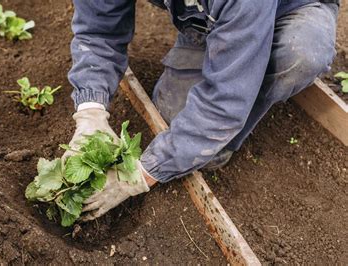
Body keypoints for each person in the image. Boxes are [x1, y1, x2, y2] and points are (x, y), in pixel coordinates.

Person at [65, 0, 340, 221]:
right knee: (172, 118)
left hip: (291, 9)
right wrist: (91, 111)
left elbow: (223, 105)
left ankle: (253, 66)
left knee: (299, 54)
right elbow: (98, 32)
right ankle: (223, 43)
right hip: (209, 16)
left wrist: (143, 173)